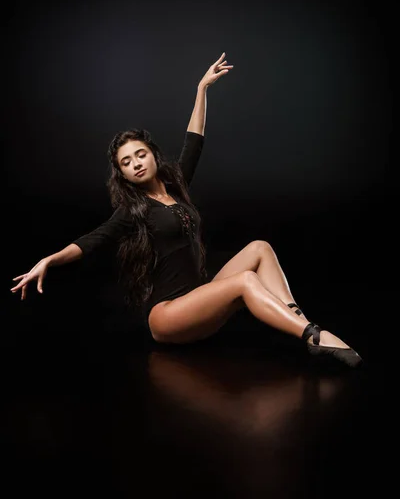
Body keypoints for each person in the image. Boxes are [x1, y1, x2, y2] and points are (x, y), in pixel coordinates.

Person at [10, 52, 362, 368]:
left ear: (152, 154)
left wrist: (201, 89)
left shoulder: (176, 186)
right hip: (168, 317)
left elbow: (193, 142)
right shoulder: (133, 210)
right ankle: (314, 336)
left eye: (140, 154)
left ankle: (295, 317)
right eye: (126, 162)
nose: (135, 164)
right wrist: (49, 260)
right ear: (122, 174)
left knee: (259, 248)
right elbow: (90, 241)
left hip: (198, 300)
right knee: (245, 281)